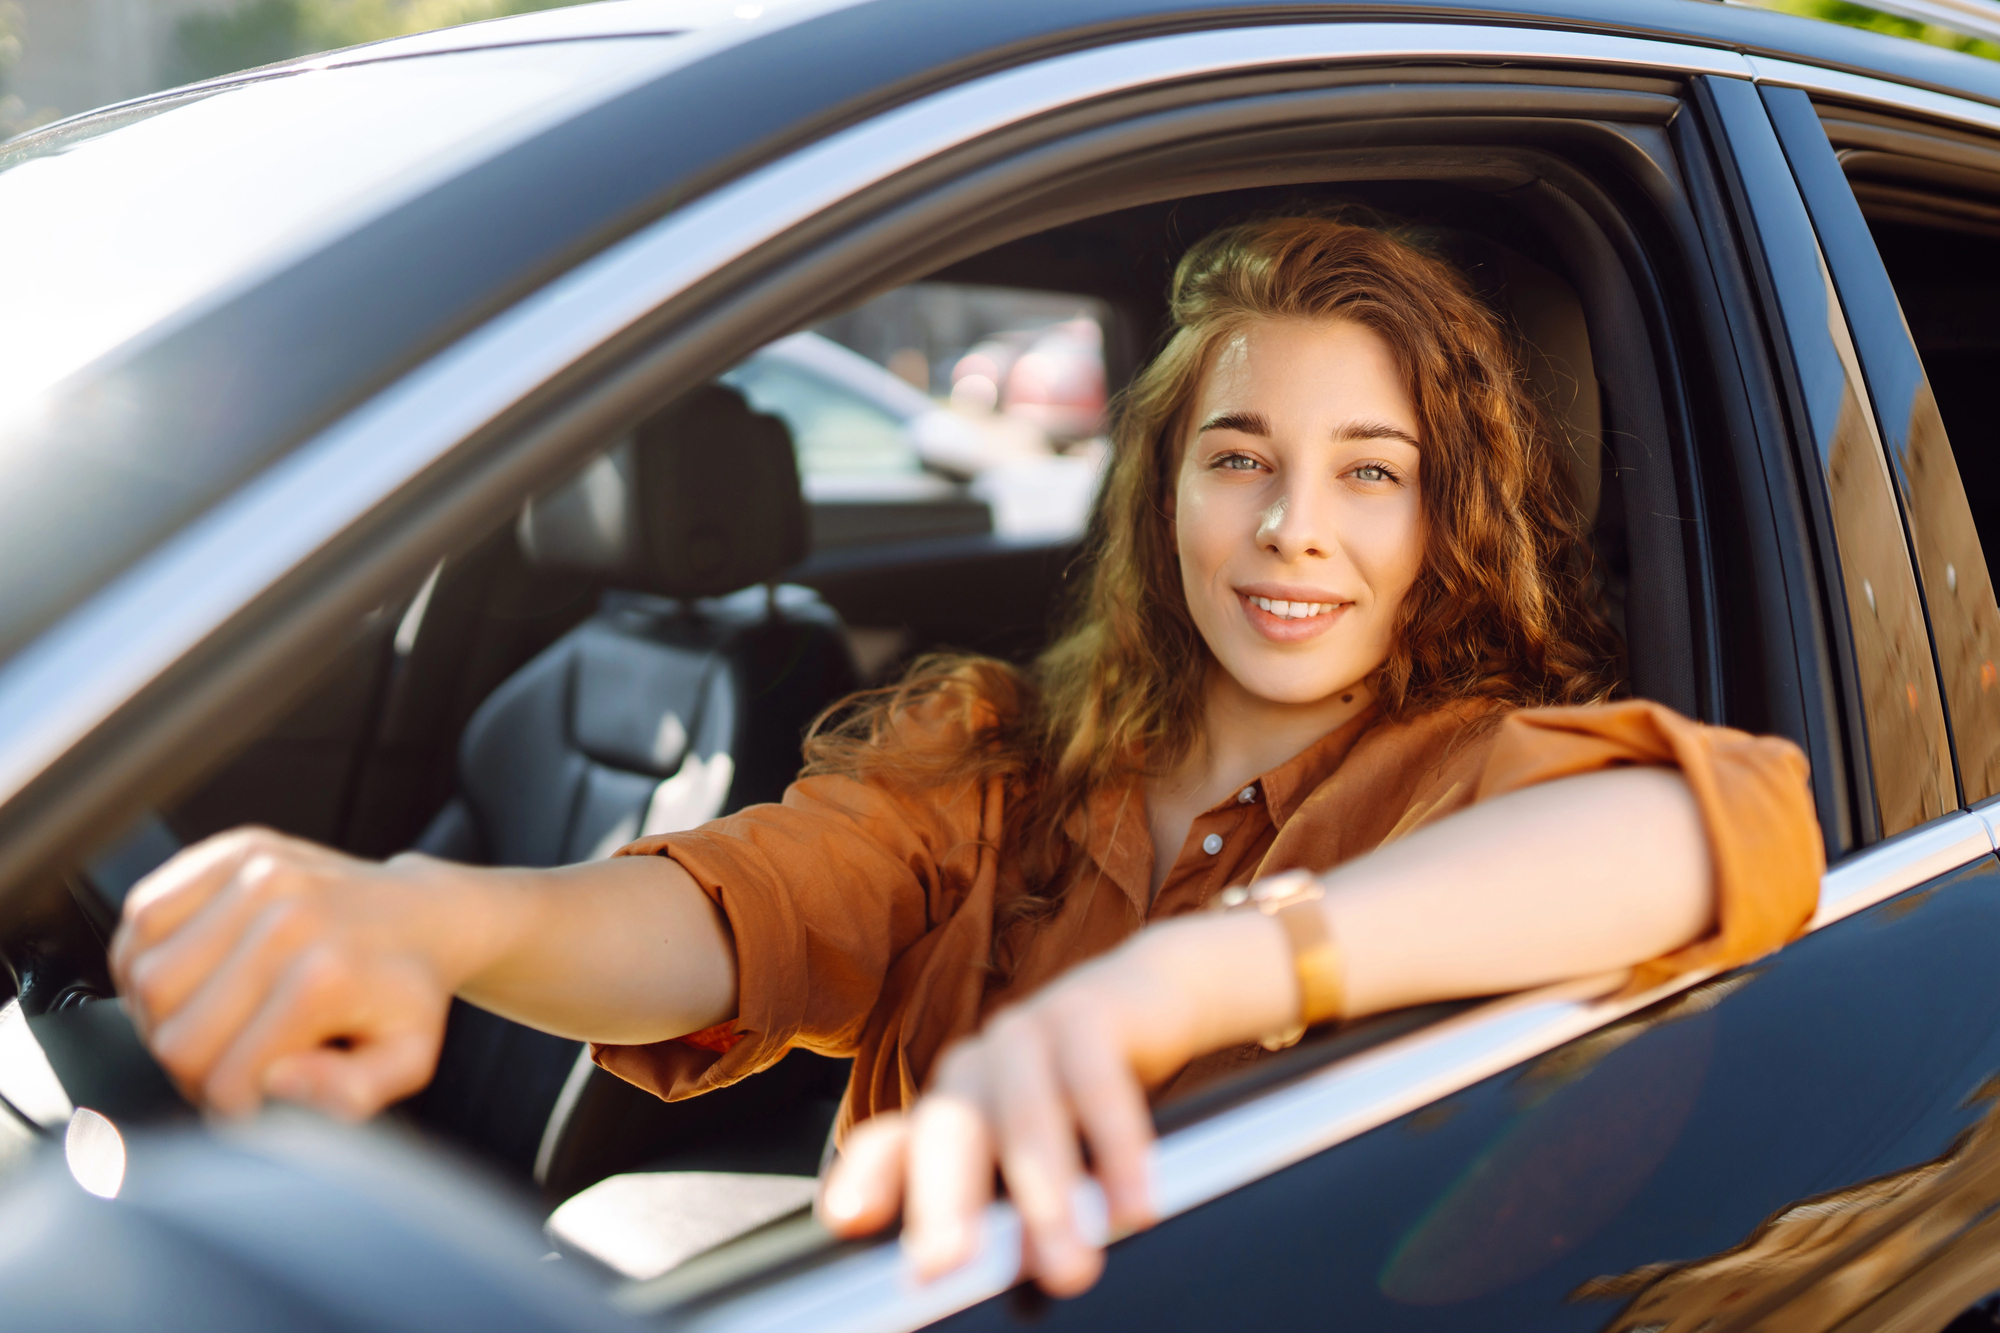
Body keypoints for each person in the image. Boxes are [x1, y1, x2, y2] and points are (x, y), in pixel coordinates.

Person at [107, 215, 1823, 1298]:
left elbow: (1719, 828)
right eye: (1241, 455)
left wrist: (1185, 982)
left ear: (1444, 514)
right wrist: (437, 918)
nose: (1296, 529)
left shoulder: (1469, 768)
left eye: (1372, 471)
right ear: (1163, 487)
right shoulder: (998, 758)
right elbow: (736, 918)